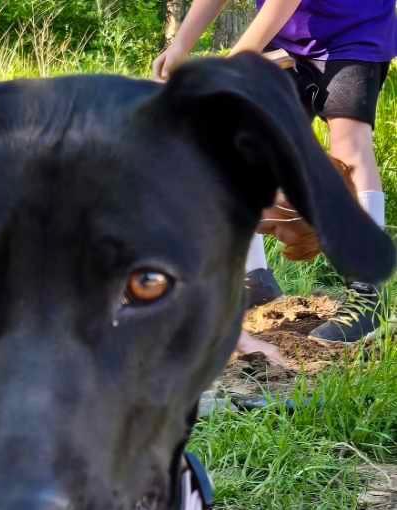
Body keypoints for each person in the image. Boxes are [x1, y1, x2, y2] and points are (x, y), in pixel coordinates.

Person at [155, 0, 397, 344]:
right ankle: (255, 282)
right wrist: (181, 43)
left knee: (349, 139)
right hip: (289, 38)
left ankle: (368, 292)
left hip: (354, 29)